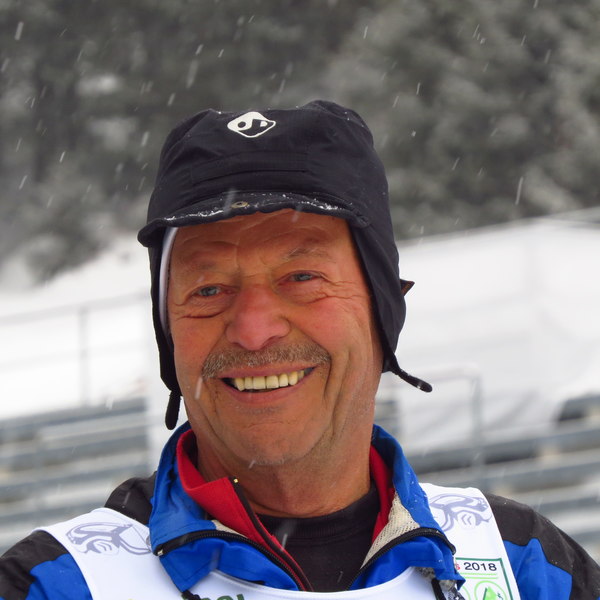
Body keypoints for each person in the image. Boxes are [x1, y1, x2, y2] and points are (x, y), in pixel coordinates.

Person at [1, 100, 599, 600]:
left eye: (303, 277)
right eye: (208, 289)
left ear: (383, 309)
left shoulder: (523, 564)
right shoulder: (59, 584)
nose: (254, 329)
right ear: (168, 331)